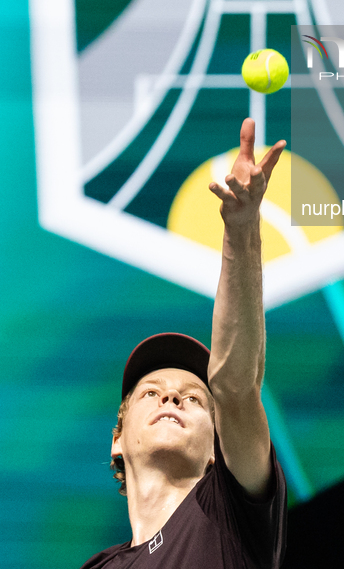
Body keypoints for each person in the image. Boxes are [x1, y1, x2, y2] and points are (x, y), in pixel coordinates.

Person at [80, 118, 288, 568]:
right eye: (151, 393)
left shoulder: (230, 510)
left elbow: (234, 386)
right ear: (117, 441)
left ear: (218, 447)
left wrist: (241, 226)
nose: (172, 395)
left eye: (194, 399)